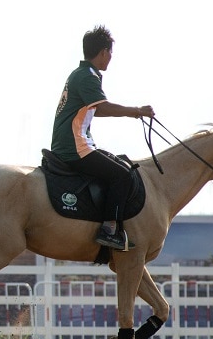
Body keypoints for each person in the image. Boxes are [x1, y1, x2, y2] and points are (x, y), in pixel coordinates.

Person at [51, 25, 154, 251]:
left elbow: (97, 110)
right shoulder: (87, 77)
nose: (110, 59)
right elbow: (104, 108)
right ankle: (108, 230)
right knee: (123, 175)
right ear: (104, 52)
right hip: (75, 147)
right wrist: (136, 111)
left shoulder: (80, 74)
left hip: (73, 143)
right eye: (110, 54)